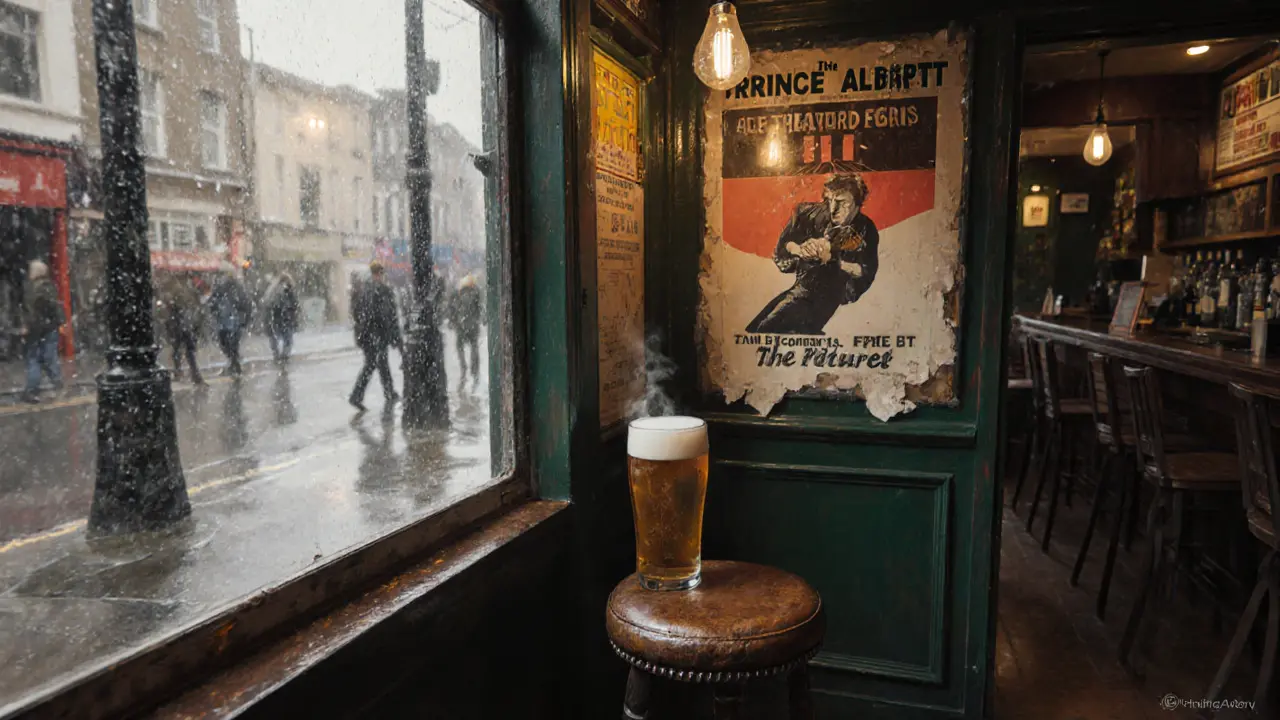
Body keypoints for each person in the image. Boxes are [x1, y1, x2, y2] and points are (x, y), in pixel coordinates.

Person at [746, 173, 880, 335]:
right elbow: (785, 244)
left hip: (825, 297)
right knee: (754, 331)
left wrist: (831, 259)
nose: (833, 209)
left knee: (765, 330)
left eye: (841, 202)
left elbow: (864, 271)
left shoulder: (867, 229)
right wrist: (799, 249)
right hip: (801, 287)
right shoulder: (812, 213)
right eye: (829, 200)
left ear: (857, 203)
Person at [349, 261, 402, 411]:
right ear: (380, 274)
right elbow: (387, 316)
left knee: (380, 364)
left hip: (366, 335)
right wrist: (394, 337)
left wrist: (362, 330)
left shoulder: (362, 289)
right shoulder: (381, 290)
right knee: (373, 364)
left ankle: (389, 392)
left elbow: (356, 313)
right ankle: (356, 395)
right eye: (382, 274)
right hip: (377, 334)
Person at [20, 260, 64, 404]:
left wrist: (28, 325)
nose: (29, 273)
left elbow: (33, 310)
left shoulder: (34, 288)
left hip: (38, 329)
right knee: (47, 357)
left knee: (35, 358)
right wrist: (59, 322)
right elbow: (54, 307)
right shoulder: (46, 287)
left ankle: (33, 390)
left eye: (32, 270)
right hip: (46, 328)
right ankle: (56, 384)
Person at [208, 265, 252, 376]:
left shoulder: (236, 288)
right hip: (225, 320)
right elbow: (213, 301)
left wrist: (245, 317)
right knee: (226, 343)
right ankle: (234, 363)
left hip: (232, 320)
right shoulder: (221, 287)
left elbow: (245, 303)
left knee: (230, 344)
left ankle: (234, 364)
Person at [162, 274, 204, 385]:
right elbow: (188, 306)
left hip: (179, 324)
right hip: (183, 324)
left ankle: (181, 372)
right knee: (187, 350)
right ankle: (193, 375)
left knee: (179, 349)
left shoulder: (177, 290)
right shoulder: (182, 290)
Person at [448, 273, 483, 387]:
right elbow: (479, 309)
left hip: (461, 326)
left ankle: (464, 367)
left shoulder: (457, 294)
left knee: (460, 347)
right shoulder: (476, 292)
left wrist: (453, 322)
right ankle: (474, 370)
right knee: (474, 347)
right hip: (472, 326)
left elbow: (452, 309)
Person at [265, 273, 300, 366]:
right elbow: (294, 304)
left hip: (275, 318)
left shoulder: (272, 290)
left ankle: (276, 355)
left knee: (274, 338)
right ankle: (284, 356)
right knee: (288, 339)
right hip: (285, 318)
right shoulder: (287, 289)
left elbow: (267, 304)